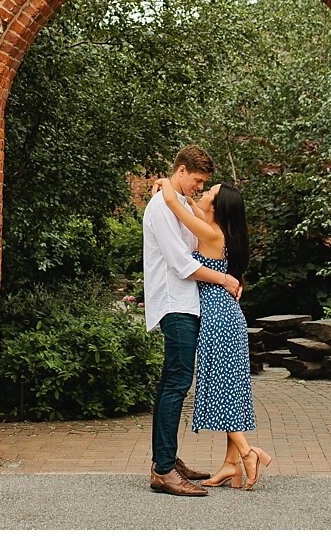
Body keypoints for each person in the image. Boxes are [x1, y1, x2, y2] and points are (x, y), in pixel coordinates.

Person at [159, 175, 273, 489]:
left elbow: (175, 205)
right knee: (231, 390)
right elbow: (192, 207)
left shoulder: (210, 233)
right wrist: (187, 195)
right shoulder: (218, 230)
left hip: (218, 318)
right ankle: (230, 466)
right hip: (228, 315)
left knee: (218, 389)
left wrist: (167, 183)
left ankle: (248, 453)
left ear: (218, 206)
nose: (205, 191)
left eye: (211, 191)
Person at [142, 145, 240, 498]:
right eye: (198, 180)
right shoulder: (162, 207)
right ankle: (164, 470)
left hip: (187, 303)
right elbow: (182, 263)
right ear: (181, 171)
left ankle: (165, 459)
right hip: (174, 303)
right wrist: (226, 280)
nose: (200, 187)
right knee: (177, 382)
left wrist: (165, 188)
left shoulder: (178, 201)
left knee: (171, 381)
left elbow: (201, 233)